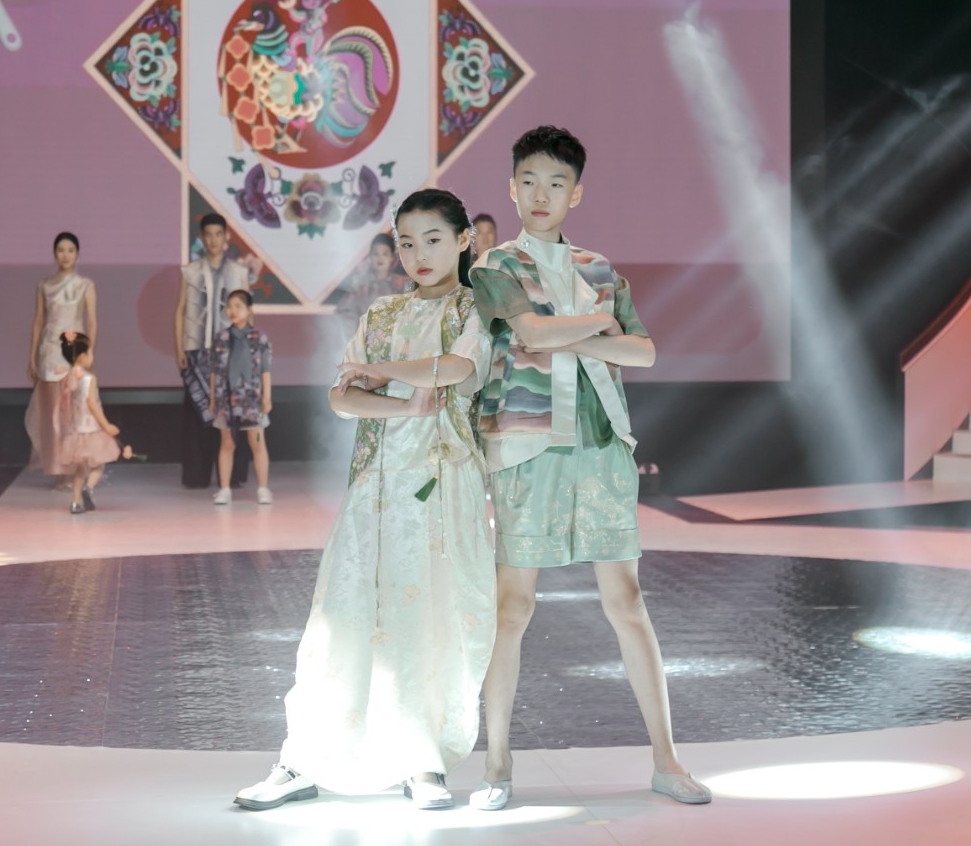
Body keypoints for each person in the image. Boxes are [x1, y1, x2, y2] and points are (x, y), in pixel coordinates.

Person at [467, 125, 709, 810]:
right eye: (529, 181)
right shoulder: (495, 267)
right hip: (527, 450)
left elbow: (645, 352)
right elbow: (530, 333)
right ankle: (497, 765)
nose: (541, 194)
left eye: (556, 182)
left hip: (602, 446)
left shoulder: (600, 270)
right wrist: (599, 329)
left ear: (576, 193)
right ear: (512, 188)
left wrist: (585, 333)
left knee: (626, 601)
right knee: (512, 607)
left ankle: (666, 760)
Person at [235, 189, 495, 813]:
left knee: (431, 615)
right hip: (375, 485)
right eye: (406, 242)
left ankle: (422, 760)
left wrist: (384, 375)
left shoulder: (477, 308)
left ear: (463, 241)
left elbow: (457, 369)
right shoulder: (381, 314)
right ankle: (303, 758)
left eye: (433, 239)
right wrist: (404, 403)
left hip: (443, 486)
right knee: (343, 614)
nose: (418, 254)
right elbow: (341, 396)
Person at [175, 214, 258, 495]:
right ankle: (196, 475)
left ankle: (232, 475)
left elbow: (248, 315)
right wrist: (179, 348)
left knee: (231, 413)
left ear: (226, 238)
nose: (213, 240)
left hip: (231, 352)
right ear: (202, 238)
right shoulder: (190, 271)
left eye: (218, 234)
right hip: (197, 351)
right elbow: (180, 311)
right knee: (198, 414)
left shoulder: (238, 272)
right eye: (208, 235)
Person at [26, 232, 96, 480]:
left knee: (73, 413)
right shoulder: (44, 285)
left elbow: (92, 322)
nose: (65, 255)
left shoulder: (85, 285)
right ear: (54, 254)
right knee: (52, 415)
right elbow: (38, 322)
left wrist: (89, 352)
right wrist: (32, 356)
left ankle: (75, 469)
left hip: (73, 354)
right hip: (48, 353)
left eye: (70, 250)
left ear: (77, 254)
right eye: (61, 250)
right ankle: (58, 470)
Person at [208, 290, 273, 505]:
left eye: (238, 306)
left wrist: (267, 397)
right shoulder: (221, 338)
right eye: (229, 306)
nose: (232, 311)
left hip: (252, 399)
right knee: (227, 443)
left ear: (249, 310)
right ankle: (224, 489)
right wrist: (212, 399)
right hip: (226, 398)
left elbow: (265, 370)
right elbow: (214, 371)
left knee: (257, 442)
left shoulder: (259, 338)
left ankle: (263, 488)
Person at [55, 331, 129, 515]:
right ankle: (89, 488)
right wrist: (107, 426)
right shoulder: (88, 378)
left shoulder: (68, 377)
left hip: (75, 429)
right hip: (91, 427)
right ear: (81, 356)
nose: (92, 357)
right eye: (90, 353)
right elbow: (92, 405)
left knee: (80, 468)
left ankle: (75, 502)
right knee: (98, 464)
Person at [336, 233, 409, 322]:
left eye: (385, 254)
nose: (380, 258)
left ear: (392, 258)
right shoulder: (360, 285)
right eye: (375, 254)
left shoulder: (400, 285)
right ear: (370, 256)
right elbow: (344, 311)